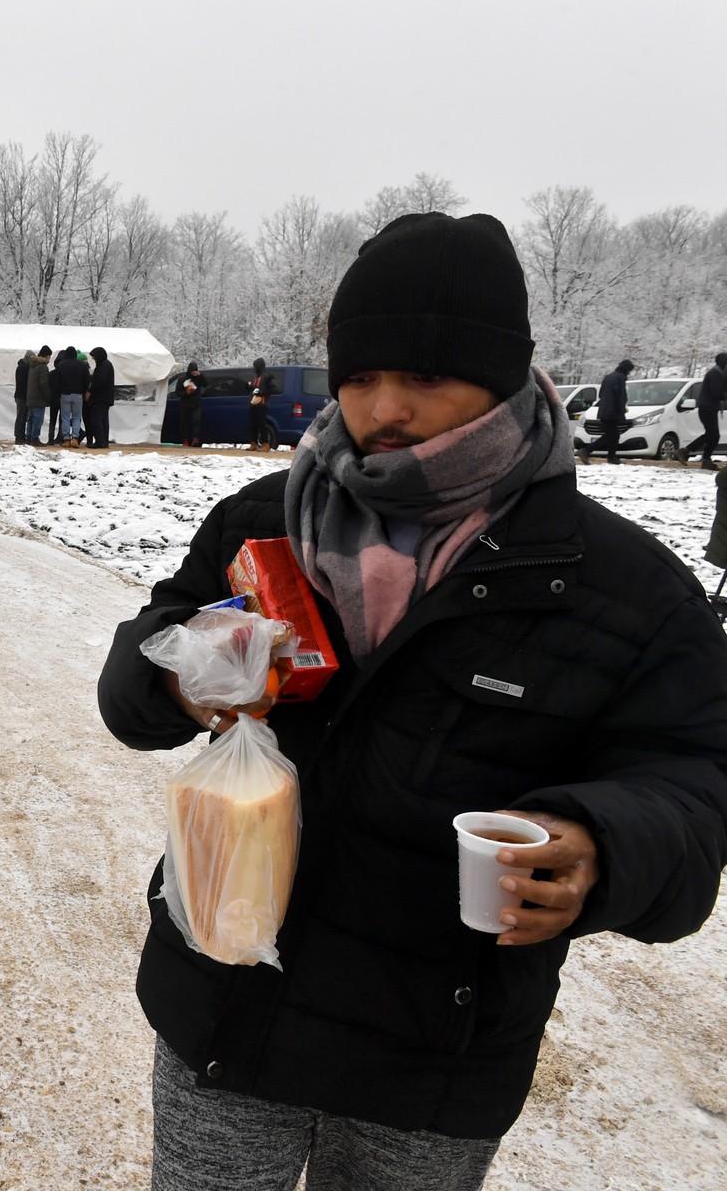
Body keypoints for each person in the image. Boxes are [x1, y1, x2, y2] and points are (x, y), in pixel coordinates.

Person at [97, 211, 727, 1191]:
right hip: (226, 1004)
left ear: (505, 376)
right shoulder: (262, 522)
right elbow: (132, 686)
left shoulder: (624, 588)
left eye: (427, 376)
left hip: (434, 1059)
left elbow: (693, 784)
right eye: (358, 376)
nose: (383, 408)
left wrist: (600, 845)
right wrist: (181, 674)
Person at [579, 359, 632, 465]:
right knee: (611, 435)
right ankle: (586, 451)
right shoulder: (620, 378)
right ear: (626, 369)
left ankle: (611, 457)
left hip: (604, 410)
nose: (629, 373)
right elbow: (621, 396)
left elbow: (601, 394)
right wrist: (622, 410)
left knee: (613, 435)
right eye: (629, 371)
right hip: (612, 412)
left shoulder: (609, 377)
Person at [683, 352, 725, 470]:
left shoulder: (717, 373)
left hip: (709, 407)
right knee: (712, 434)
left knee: (713, 435)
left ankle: (705, 459)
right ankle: (686, 451)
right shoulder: (714, 374)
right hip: (707, 407)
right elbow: (716, 392)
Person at [54, 347, 87, 447]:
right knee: (77, 417)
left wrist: (59, 392)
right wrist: (83, 391)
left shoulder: (60, 365)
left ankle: (66, 439)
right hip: (78, 394)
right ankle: (75, 438)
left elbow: (57, 381)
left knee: (65, 418)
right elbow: (87, 380)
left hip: (65, 394)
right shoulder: (82, 365)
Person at [86, 345, 115, 448]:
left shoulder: (103, 366)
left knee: (95, 419)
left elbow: (99, 381)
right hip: (105, 398)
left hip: (101, 398)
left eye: (94, 358)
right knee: (103, 421)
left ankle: (99, 441)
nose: (94, 360)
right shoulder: (106, 365)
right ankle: (103, 441)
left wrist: (90, 391)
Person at [24, 346, 54, 443]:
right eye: (49, 356)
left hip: (30, 397)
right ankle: (35, 438)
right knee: (38, 419)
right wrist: (48, 396)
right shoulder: (43, 367)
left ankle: (29, 438)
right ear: (47, 356)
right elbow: (43, 384)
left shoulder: (32, 365)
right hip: (39, 398)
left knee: (31, 419)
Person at [247, 357, 275, 451]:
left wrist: (261, 393)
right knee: (252, 424)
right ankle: (253, 443)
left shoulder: (267, 376)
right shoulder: (256, 378)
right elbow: (253, 389)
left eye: (255, 366)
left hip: (262, 404)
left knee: (261, 424)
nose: (253, 368)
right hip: (253, 403)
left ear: (259, 366)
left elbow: (273, 389)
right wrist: (248, 387)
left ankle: (265, 444)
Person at [177, 361, 206, 447]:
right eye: (193, 370)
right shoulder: (182, 379)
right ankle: (185, 440)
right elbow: (177, 392)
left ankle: (195, 439)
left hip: (196, 403)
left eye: (196, 370)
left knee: (197, 420)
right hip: (185, 403)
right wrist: (186, 393)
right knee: (183, 421)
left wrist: (201, 375)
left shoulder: (199, 379)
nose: (194, 372)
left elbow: (206, 384)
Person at [14, 350, 32, 443]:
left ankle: (20, 435)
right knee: (22, 417)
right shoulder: (26, 368)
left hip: (19, 395)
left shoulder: (20, 367)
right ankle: (19, 435)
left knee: (21, 416)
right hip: (23, 395)